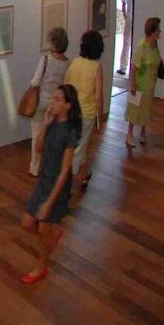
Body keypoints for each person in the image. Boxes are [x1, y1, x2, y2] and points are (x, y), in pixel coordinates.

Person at [20, 84, 82, 284]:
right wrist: (45, 124)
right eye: (53, 99)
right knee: (27, 223)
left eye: (57, 100)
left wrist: (49, 202)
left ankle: (42, 266)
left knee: (42, 229)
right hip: (44, 180)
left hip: (58, 186)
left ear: (67, 105)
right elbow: (39, 148)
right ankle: (51, 236)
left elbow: (65, 170)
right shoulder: (52, 123)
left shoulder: (70, 131)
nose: (52, 103)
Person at [63, 30, 107, 187]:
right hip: (87, 113)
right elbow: (98, 96)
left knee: (80, 144)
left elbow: (65, 85)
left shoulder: (75, 63)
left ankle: (82, 176)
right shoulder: (96, 67)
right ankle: (67, 182)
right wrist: (100, 118)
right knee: (79, 147)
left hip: (72, 111)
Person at [28, 28, 72, 176]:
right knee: (52, 134)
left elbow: (35, 81)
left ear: (54, 42)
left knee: (37, 133)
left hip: (41, 100)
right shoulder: (67, 63)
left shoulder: (46, 59)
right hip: (56, 103)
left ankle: (34, 167)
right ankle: (50, 166)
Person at [125, 18, 162, 147]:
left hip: (150, 85)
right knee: (134, 110)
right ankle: (129, 133)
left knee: (146, 109)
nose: (160, 32)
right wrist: (132, 85)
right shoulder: (142, 46)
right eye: (158, 30)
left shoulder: (155, 45)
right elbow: (134, 67)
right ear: (152, 32)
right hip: (139, 85)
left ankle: (143, 131)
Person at [118, 0, 134, 75]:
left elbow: (123, 3)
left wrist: (124, 14)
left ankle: (123, 67)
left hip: (129, 19)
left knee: (126, 43)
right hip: (135, 18)